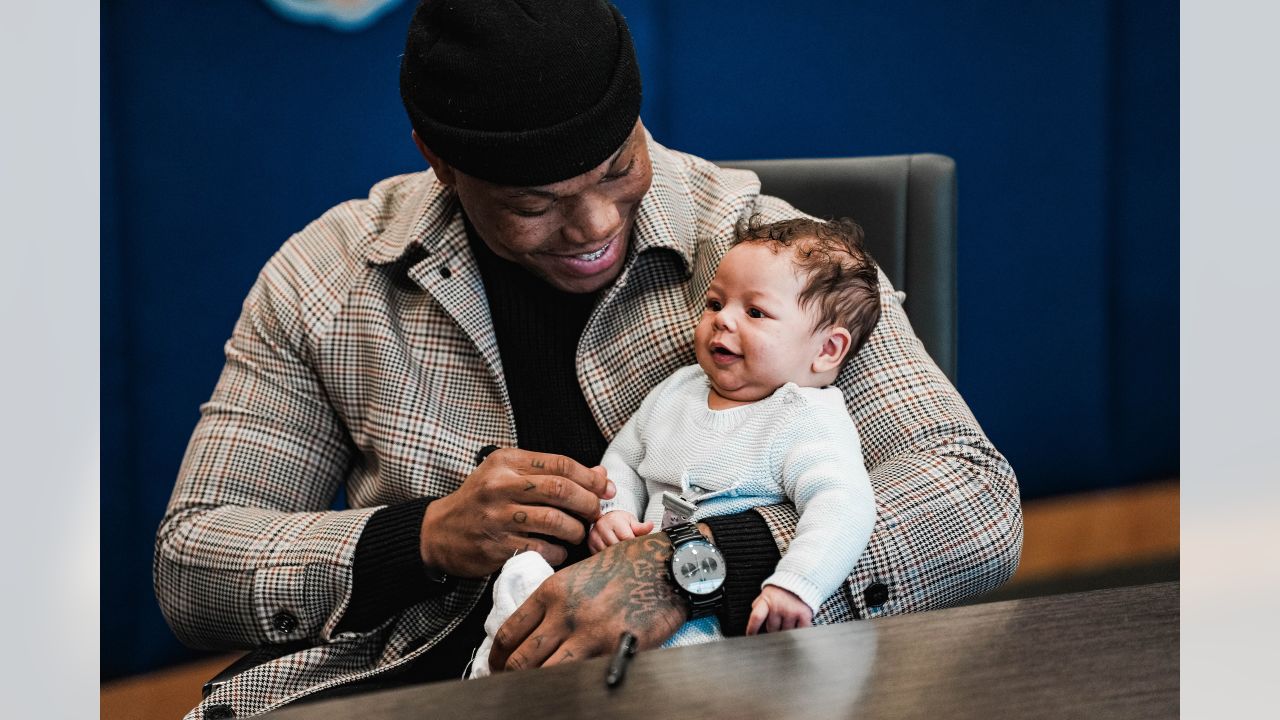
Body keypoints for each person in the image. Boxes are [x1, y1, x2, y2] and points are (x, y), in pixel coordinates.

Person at [153, 1, 1023, 718]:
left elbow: (971, 495)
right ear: (440, 163)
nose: (597, 227)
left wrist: (687, 567)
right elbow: (194, 563)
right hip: (422, 685)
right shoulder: (329, 278)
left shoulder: (766, 254)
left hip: (716, 690)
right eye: (536, 204)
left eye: (619, 168)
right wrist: (423, 539)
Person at [590, 217, 881, 642]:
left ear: (826, 349)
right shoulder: (678, 389)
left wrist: (797, 583)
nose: (723, 320)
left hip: (711, 615)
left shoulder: (805, 417)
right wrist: (614, 512)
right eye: (714, 304)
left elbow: (843, 504)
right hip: (628, 586)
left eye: (755, 311)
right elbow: (623, 461)